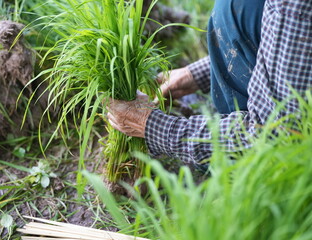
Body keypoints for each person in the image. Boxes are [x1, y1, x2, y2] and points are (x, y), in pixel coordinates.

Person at [107, 0, 312, 168]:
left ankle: (243, 170)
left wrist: (155, 127)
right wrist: (199, 73)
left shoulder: (293, 6)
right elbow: (289, 41)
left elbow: (273, 135)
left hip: (282, 154)